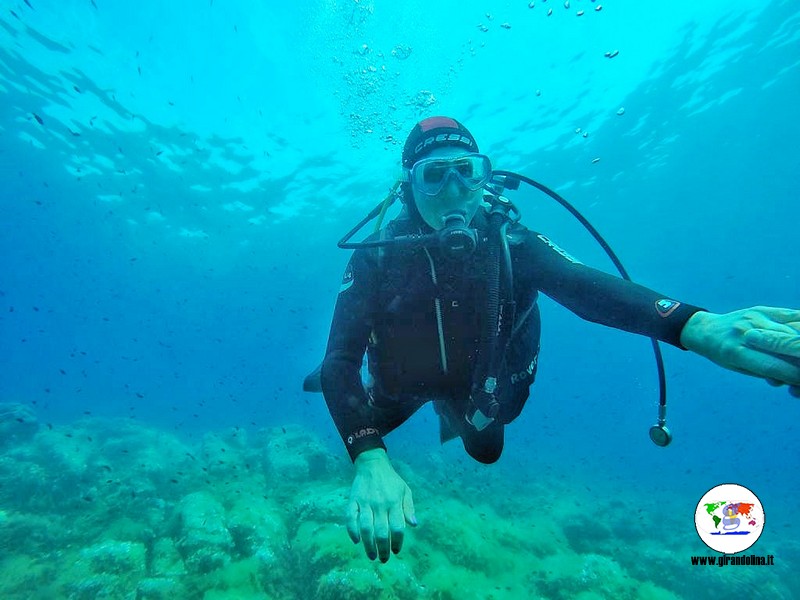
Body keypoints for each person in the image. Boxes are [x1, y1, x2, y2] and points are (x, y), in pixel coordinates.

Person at [313, 116, 800, 563]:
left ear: (486, 178)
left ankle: (447, 410)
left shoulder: (514, 244)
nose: (453, 189)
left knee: (486, 454)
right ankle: (412, 415)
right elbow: (340, 362)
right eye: (433, 176)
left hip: (480, 390)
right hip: (400, 385)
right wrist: (371, 459)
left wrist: (697, 326)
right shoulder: (376, 259)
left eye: (466, 171)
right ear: (408, 187)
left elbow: (585, 288)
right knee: (347, 413)